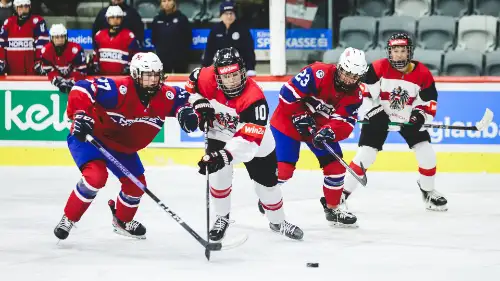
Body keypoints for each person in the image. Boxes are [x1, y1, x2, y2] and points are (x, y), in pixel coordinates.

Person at [53, 52, 200, 240]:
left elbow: (184, 100)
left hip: (122, 148)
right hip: (91, 138)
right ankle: (69, 218)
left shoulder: (165, 95)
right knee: (96, 177)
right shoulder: (118, 89)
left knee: (136, 186)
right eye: (148, 76)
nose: (153, 80)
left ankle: (121, 221)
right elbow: (82, 88)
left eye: (156, 75)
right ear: (136, 75)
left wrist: (186, 112)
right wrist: (81, 114)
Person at [185, 47, 303, 242]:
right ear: (217, 76)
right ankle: (222, 217)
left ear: (242, 72)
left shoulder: (255, 99)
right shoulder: (205, 77)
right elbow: (189, 89)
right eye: (226, 76)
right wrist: (198, 103)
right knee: (218, 177)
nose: (231, 81)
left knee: (267, 186)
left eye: (235, 75)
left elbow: (248, 141)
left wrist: (222, 156)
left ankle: (278, 221)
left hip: (256, 142)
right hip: (219, 133)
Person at [262, 47, 368, 227]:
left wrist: (330, 131)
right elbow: (287, 93)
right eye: (346, 73)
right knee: (284, 170)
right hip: (287, 122)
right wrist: (298, 114)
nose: (348, 79)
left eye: (354, 76)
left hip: (318, 128)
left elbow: (345, 122)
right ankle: (268, 196)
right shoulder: (318, 72)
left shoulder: (355, 95)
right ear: (339, 67)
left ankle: (333, 209)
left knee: (336, 168)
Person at [342, 33, 448, 212]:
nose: (398, 55)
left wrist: (419, 117)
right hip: (378, 116)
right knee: (366, 155)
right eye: (395, 50)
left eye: (402, 51)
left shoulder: (423, 73)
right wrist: (375, 113)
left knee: (427, 153)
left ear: (409, 52)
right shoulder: (377, 68)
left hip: (406, 117)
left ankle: (428, 191)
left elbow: (428, 102)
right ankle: (341, 194)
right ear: (389, 52)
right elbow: (362, 95)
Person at [201, 1, 256, 77]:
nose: (229, 16)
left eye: (231, 13)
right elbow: (209, 51)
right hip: (220, 69)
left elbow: (249, 50)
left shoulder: (243, 29)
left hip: (239, 70)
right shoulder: (215, 30)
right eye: (226, 14)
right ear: (221, 15)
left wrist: (250, 68)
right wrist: (205, 68)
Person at [0, 0, 49, 75]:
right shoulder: (8, 22)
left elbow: (43, 44)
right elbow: (2, 44)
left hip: (32, 69)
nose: (23, 9)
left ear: (30, 7)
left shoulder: (38, 21)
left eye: (26, 6)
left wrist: (39, 61)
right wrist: (1, 60)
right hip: (12, 69)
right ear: (15, 8)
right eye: (20, 7)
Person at [91, 5, 140, 75]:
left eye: (118, 17)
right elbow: (96, 55)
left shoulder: (129, 36)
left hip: (122, 78)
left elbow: (135, 55)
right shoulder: (99, 35)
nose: (115, 20)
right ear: (107, 19)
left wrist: (129, 67)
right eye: (112, 17)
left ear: (122, 19)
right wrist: (95, 65)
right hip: (103, 77)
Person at [40, 24, 87, 94]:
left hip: (75, 86)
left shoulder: (76, 49)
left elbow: (81, 71)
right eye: (57, 37)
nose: (60, 40)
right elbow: (49, 71)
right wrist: (58, 81)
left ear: (66, 37)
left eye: (62, 37)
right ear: (51, 38)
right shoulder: (46, 51)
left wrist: (72, 81)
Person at [152, 0, 191, 74]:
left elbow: (188, 38)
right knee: (163, 79)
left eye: (169, 0)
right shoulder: (157, 19)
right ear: (161, 3)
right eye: (164, 1)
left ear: (174, 2)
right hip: (162, 56)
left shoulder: (182, 18)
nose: (166, 3)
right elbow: (154, 38)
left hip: (179, 57)